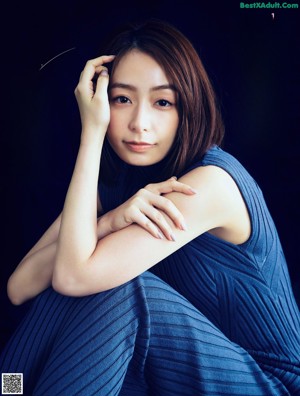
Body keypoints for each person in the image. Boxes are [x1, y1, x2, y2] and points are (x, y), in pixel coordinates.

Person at [1, 19, 299, 395]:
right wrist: (108, 218)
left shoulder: (211, 184)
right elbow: (20, 286)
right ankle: (7, 390)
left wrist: (93, 138)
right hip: (164, 368)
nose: (140, 123)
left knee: (119, 288)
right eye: (122, 99)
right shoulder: (117, 182)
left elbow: (74, 276)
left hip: (265, 382)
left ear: (188, 106)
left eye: (162, 102)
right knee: (75, 282)